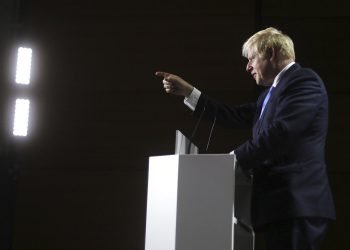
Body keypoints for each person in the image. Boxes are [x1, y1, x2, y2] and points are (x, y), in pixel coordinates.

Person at [155, 27, 336, 250]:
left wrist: (232, 160)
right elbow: (234, 115)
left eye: (251, 59)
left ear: (270, 52)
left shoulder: (304, 82)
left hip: (296, 203)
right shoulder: (269, 95)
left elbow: (281, 133)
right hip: (278, 206)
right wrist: (189, 93)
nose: (247, 67)